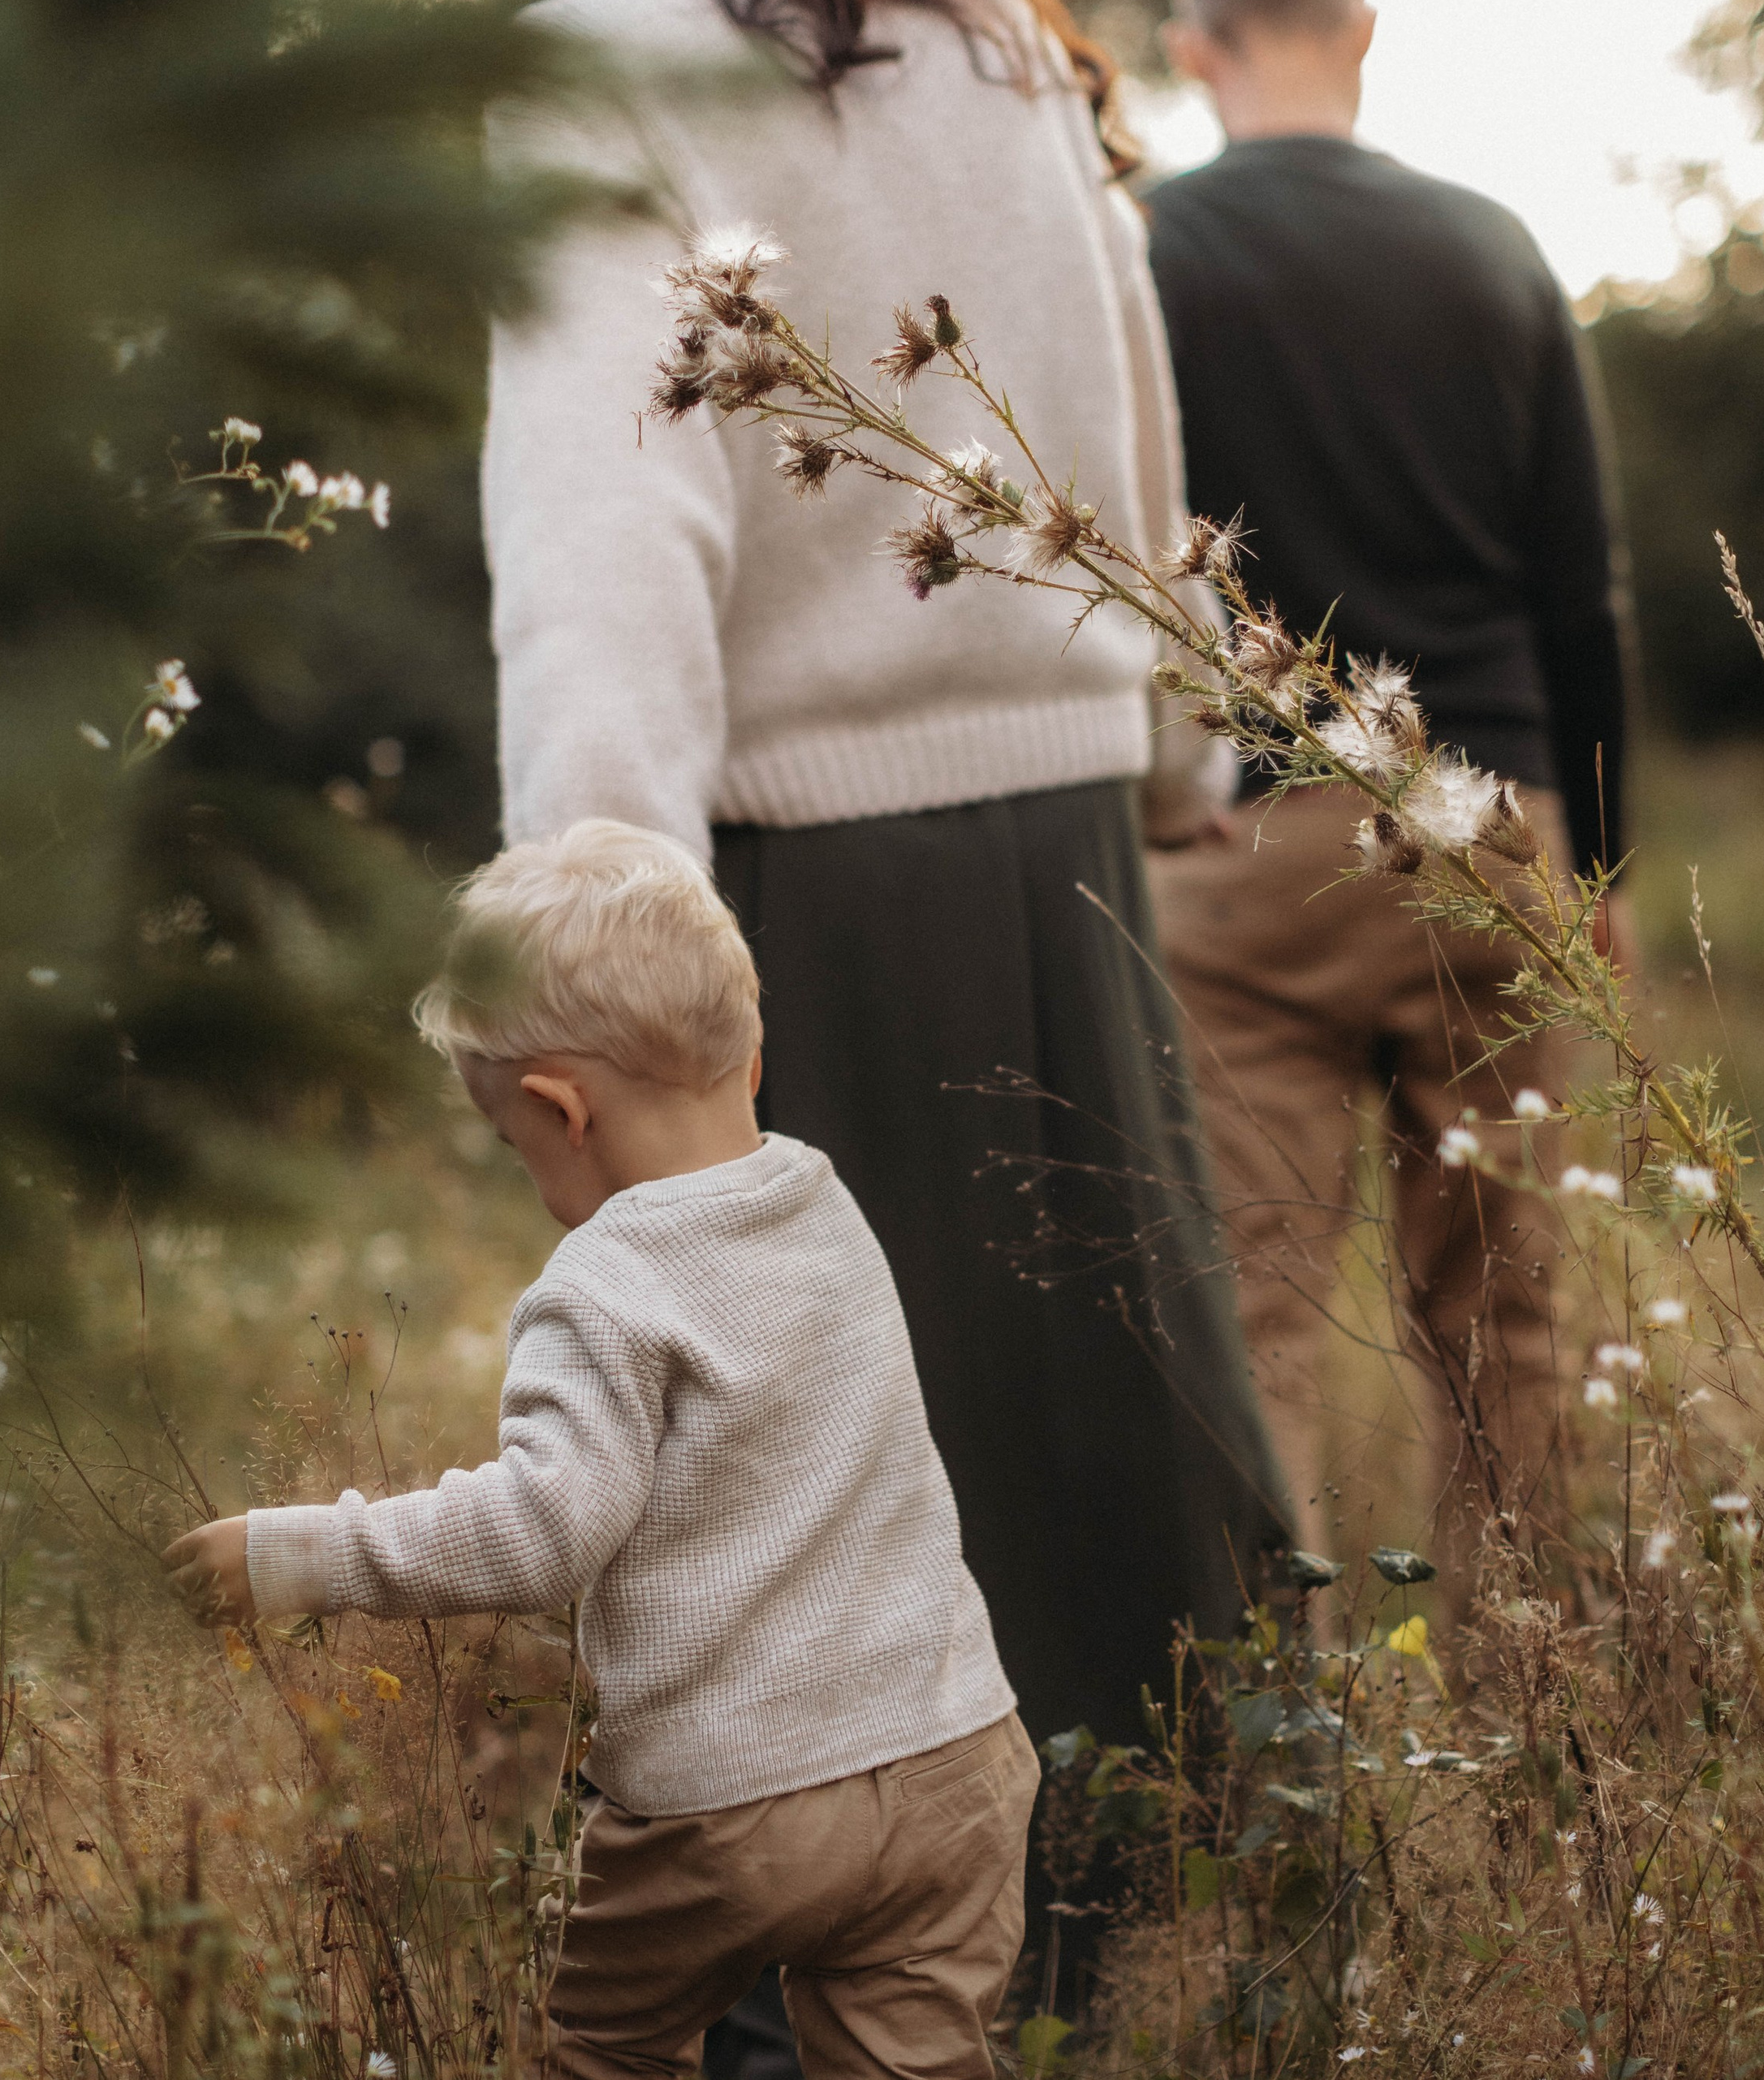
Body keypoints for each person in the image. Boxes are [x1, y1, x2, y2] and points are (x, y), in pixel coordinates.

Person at [487, 0, 1290, 1776]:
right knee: (1109, 1484)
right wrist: (1170, 753)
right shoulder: (1011, 40)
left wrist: (588, 962)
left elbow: (600, 538)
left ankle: (867, 2026)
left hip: (800, 898)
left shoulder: (609, 44)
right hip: (1074, 850)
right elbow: (1125, 433)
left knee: (825, 1547)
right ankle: (1152, 1965)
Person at [163, 820, 1039, 2080]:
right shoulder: (822, 1200)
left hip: (738, 1807)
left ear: (560, 1109)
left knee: (597, 2047)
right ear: (747, 1057)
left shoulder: (606, 1283)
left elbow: (540, 1529)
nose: (531, 1179)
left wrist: (306, 1553)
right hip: (956, 1758)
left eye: (517, 1148)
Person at [1141, 0, 1637, 1553]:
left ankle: (1267, 1755)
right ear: (1364, 27)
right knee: (1515, 1322)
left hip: (1244, 842)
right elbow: (1585, 593)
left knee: (1250, 1322)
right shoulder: (1496, 249)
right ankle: (1541, 1737)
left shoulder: (1142, 252)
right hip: (1492, 828)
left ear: (1184, 47)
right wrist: (1601, 869)